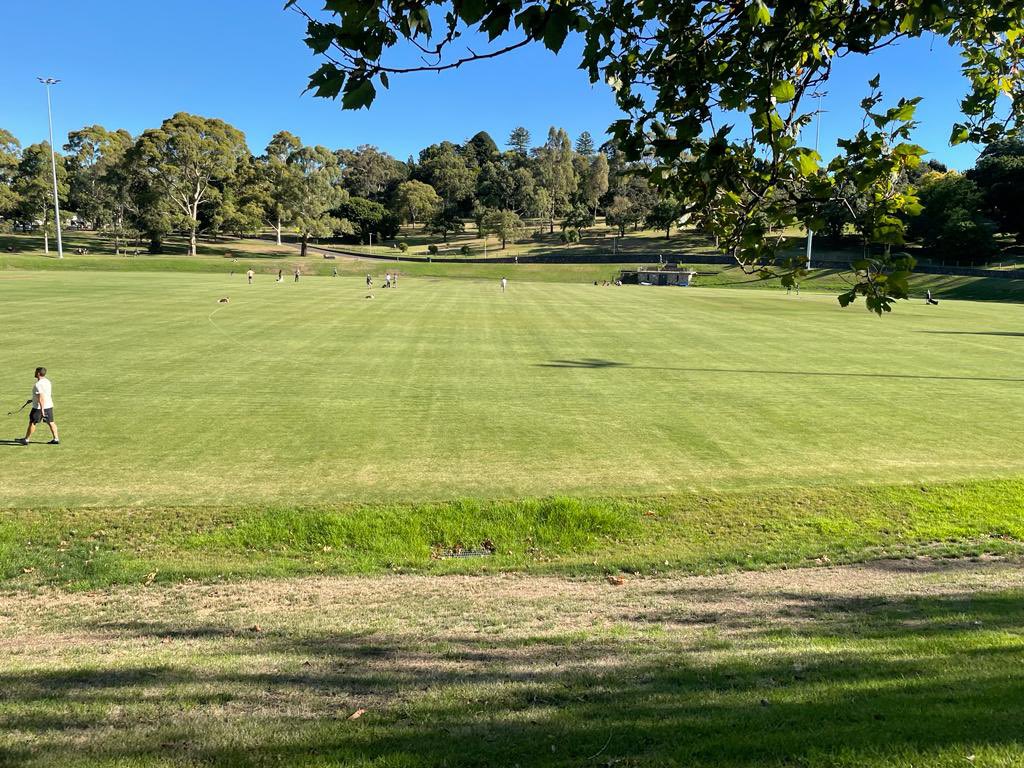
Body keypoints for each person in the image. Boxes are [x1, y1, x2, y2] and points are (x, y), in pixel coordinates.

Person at [18, 367, 59, 446]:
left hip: (39, 407)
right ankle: (56, 439)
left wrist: (42, 410)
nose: (35, 373)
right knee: (51, 422)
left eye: (36, 372)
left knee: (32, 422)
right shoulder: (47, 381)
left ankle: (26, 439)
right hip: (48, 405)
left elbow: (41, 397)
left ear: (38, 373)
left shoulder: (38, 384)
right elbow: (45, 394)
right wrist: (32, 400)